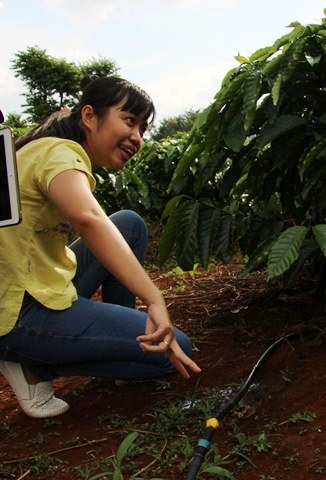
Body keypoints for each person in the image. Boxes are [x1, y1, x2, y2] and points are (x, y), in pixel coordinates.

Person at [0, 76, 201, 419]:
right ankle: (37, 366)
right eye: (129, 121)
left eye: (143, 128)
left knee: (130, 224)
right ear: (90, 116)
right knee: (174, 349)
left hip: (39, 283)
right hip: (19, 312)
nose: (137, 137)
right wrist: (155, 299)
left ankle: (119, 338)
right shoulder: (59, 152)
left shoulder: (43, 148)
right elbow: (88, 218)